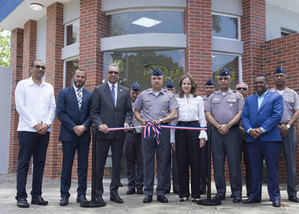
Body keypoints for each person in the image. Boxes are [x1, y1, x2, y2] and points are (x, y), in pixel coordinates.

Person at [14, 60, 56, 208]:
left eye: (43, 67)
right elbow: (20, 107)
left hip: (44, 131)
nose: (40, 69)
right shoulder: (22, 85)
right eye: (37, 66)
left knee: (39, 164)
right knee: (23, 164)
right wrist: (35, 124)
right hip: (27, 130)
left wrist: (47, 124)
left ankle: (36, 195)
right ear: (31, 69)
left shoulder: (49, 87)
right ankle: (21, 196)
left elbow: (52, 107)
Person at [134, 68, 178, 203]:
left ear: (162, 80)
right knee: (147, 161)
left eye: (159, 78)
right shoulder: (143, 95)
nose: (157, 81)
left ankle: (161, 192)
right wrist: (142, 121)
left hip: (162, 130)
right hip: (147, 130)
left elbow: (174, 114)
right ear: (151, 80)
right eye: (154, 78)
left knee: (163, 161)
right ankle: (147, 192)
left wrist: (161, 121)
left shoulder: (169, 96)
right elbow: (136, 111)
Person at [90, 64, 132, 205]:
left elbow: (128, 112)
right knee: (99, 165)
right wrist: (100, 124)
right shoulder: (99, 90)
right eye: (111, 72)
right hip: (103, 134)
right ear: (106, 74)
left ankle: (114, 192)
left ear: (118, 75)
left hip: (119, 134)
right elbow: (94, 112)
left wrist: (127, 122)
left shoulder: (125, 91)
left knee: (117, 165)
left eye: (116, 72)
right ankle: (98, 194)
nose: (113, 74)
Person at [242, 75, 283, 207]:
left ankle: (275, 197)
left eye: (261, 82)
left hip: (270, 138)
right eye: (256, 83)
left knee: (272, 168)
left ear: (266, 83)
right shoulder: (249, 100)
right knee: (254, 169)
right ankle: (255, 196)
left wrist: (261, 129)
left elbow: (277, 115)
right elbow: (244, 116)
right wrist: (249, 130)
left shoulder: (276, 97)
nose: (258, 84)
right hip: (253, 139)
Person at [205, 68, 243, 203]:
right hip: (216, 132)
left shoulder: (237, 95)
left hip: (232, 132)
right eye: (220, 78)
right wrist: (218, 125)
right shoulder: (212, 96)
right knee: (218, 162)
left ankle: (237, 192)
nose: (223, 81)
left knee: (234, 162)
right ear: (218, 80)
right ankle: (220, 192)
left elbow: (240, 113)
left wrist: (228, 125)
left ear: (230, 80)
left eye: (225, 78)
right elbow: (207, 113)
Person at [56, 69, 92, 206]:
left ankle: (81, 194)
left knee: (83, 166)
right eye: (78, 76)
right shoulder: (63, 93)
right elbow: (60, 113)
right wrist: (74, 127)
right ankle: (64, 195)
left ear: (85, 79)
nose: (80, 79)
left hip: (84, 135)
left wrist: (84, 126)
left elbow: (92, 113)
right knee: (67, 165)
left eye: (82, 77)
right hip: (68, 135)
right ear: (73, 77)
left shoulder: (90, 95)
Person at [172, 74, 207, 202]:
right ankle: (183, 193)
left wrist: (202, 135)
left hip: (194, 129)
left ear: (192, 85)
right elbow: (173, 121)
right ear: (181, 86)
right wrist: (172, 139)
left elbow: (202, 118)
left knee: (195, 162)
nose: (186, 86)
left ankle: (196, 194)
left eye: (188, 83)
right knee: (181, 163)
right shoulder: (176, 100)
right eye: (184, 84)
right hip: (180, 130)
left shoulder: (198, 99)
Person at [270, 66, 299, 203]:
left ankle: (292, 193)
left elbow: (297, 111)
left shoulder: (293, 94)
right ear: (274, 78)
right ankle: (274, 194)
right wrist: (276, 126)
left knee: (291, 162)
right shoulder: (269, 94)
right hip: (273, 130)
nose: (279, 78)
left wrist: (287, 126)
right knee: (272, 162)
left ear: (286, 77)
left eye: (282, 75)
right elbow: (266, 114)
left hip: (289, 129)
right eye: (277, 76)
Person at [124, 82, 144, 195]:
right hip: (130, 134)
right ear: (130, 93)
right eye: (133, 93)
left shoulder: (142, 103)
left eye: (137, 93)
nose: (135, 95)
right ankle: (131, 185)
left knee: (141, 161)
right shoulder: (126, 103)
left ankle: (140, 185)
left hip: (141, 134)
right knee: (129, 160)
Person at [236, 82, 252, 198]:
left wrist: (246, 130)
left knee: (250, 165)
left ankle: (250, 191)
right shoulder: (231, 102)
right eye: (239, 88)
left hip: (249, 137)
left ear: (247, 90)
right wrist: (239, 128)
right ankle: (236, 192)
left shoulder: (251, 102)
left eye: (244, 88)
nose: (241, 90)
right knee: (235, 165)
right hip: (235, 137)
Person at [200, 78, 216, 194]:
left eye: (211, 87)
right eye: (207, 87)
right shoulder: (201, 100)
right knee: (203, 160)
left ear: (214, 88)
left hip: (215, 130)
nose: (209, 89)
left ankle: (218, 187)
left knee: (217, 159)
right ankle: (202, 185)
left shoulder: (218, 98)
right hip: (204, 131)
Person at [165, 80, 179, 195]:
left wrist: (173, 139)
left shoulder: (176, 102)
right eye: (167, 90)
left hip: (175, 136)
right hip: (164, 136)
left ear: (174, 91)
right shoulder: (163, 102)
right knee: (164, 162)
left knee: (176, 163)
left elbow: (175, 123)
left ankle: (177, 186)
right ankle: (165, 186)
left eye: (171, 90)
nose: (170, 92)